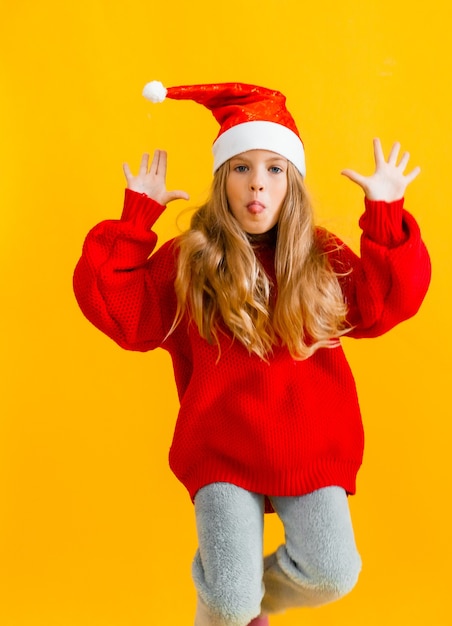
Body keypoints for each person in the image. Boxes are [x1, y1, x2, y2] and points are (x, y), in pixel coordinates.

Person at [73, 81, 431, 626]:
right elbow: (120, 312)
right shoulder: (190, 260)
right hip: (221, 451)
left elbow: (388, 304)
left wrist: (385, 213)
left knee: (332, 572)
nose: (257, 186)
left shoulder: (321, 256)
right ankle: (229, 604)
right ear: (221, 182)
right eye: (241, 169)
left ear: (293, 181)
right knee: (230, 603)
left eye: (274, 169)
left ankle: (234, 602)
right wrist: (135, 222)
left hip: (309, 448)